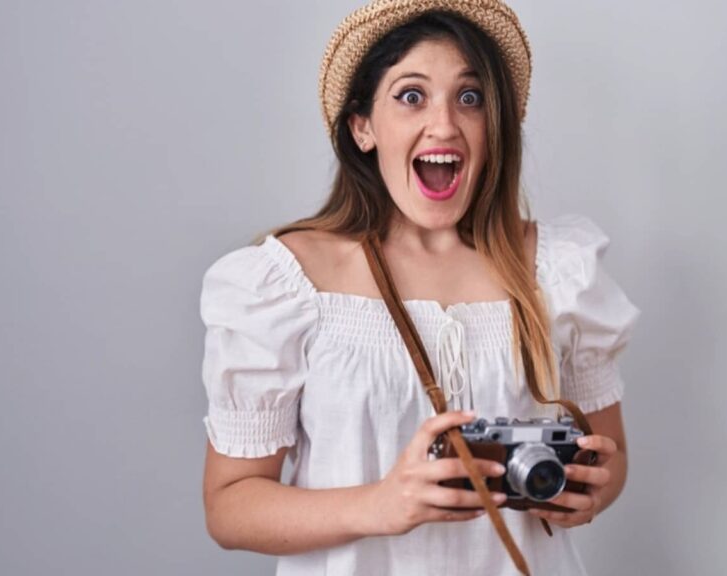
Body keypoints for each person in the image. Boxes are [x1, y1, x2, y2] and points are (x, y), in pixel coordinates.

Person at [199, 1, 640, 574]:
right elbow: (230, 507)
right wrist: (383, 504)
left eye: (470, 97)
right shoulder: (284, 284)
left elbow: (614, 458)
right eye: (411, 96)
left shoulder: (560, 271)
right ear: (362, 126)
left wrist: (587, 490)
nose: (445, 124)